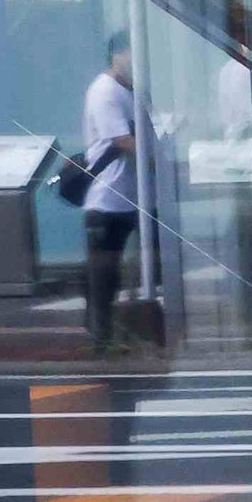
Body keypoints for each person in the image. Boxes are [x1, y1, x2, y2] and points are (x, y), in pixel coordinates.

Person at [79, 29, 139, 354]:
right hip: (107, 197)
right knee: (104, 272)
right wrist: (155, 160)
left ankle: (111, 332)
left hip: (129, 196)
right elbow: (122, 140)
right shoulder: (104, 91)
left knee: (114, 269)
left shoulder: (130, 90)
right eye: (130, 53)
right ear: (116, 55)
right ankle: (100, 337)